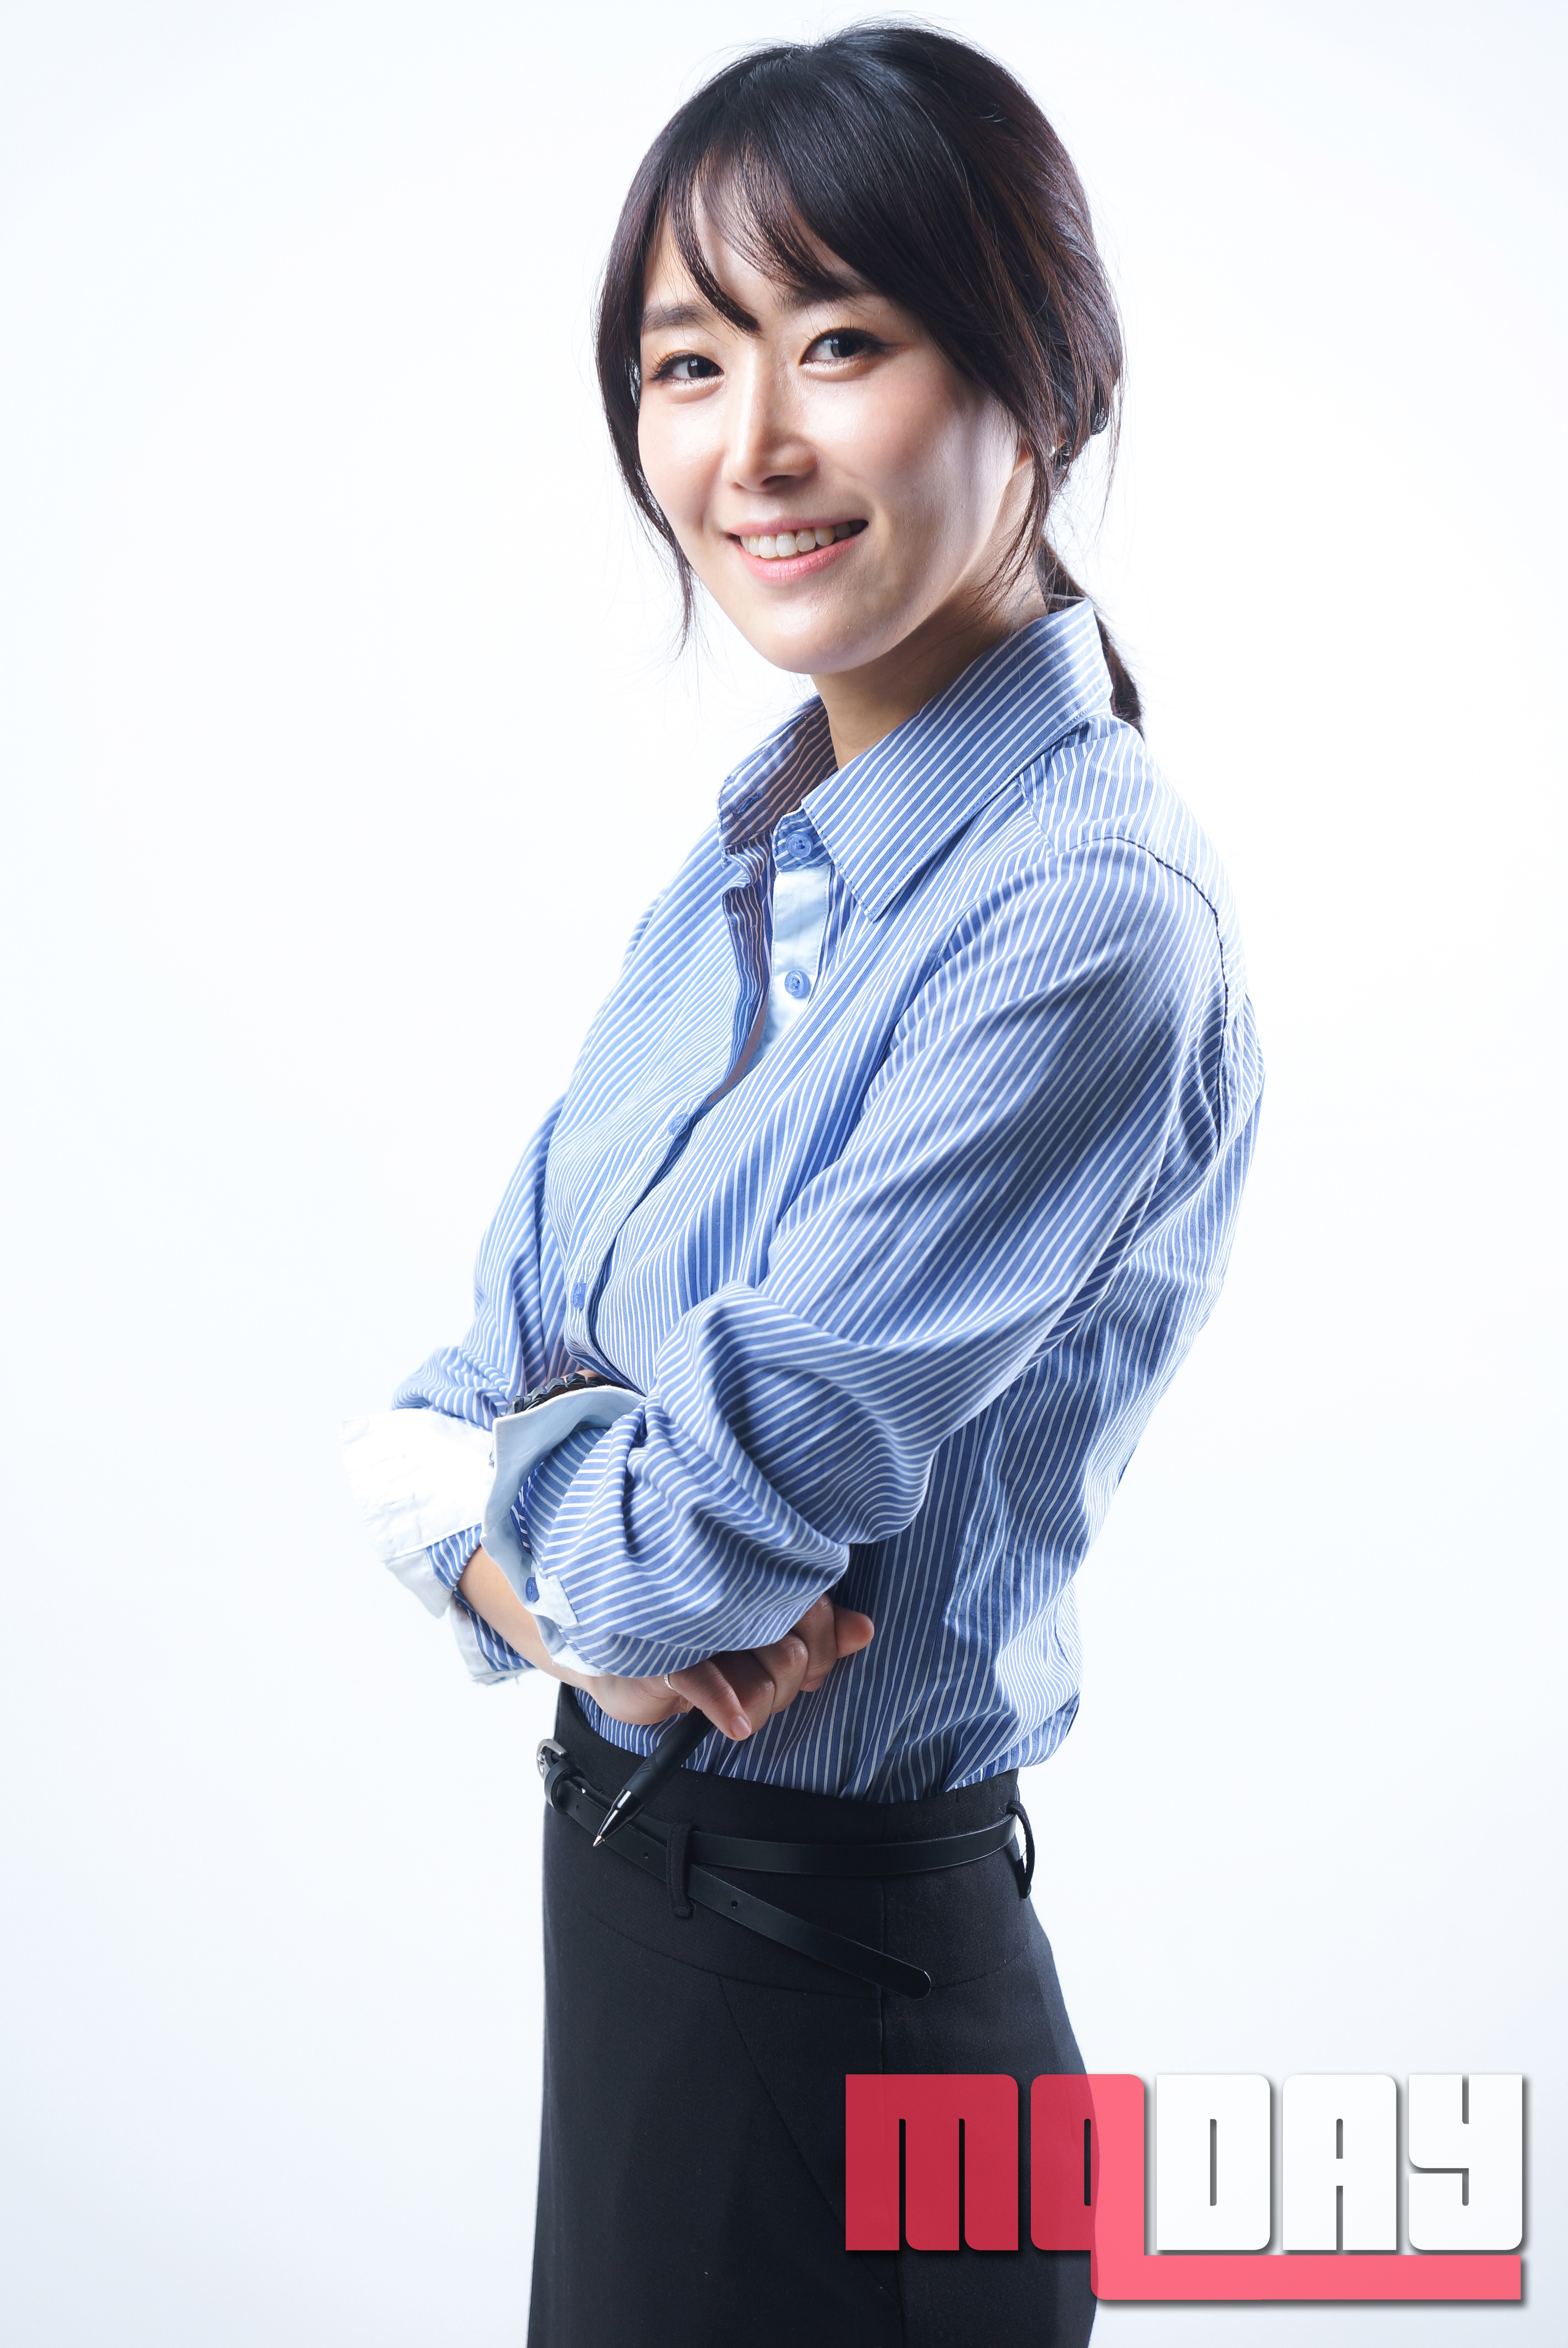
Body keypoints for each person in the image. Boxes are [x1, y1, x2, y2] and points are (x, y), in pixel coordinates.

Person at [343, 24, 1262, 2345]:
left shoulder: (1079, 914)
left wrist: (513, 1533)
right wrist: (553, 1563)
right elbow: (460, 1404)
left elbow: (681, 1552)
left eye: (839, 342)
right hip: (649, 1944)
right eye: (687, 362)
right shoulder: (768, 850)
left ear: (1043, 380)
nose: (747, 442)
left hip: (842, 2005)